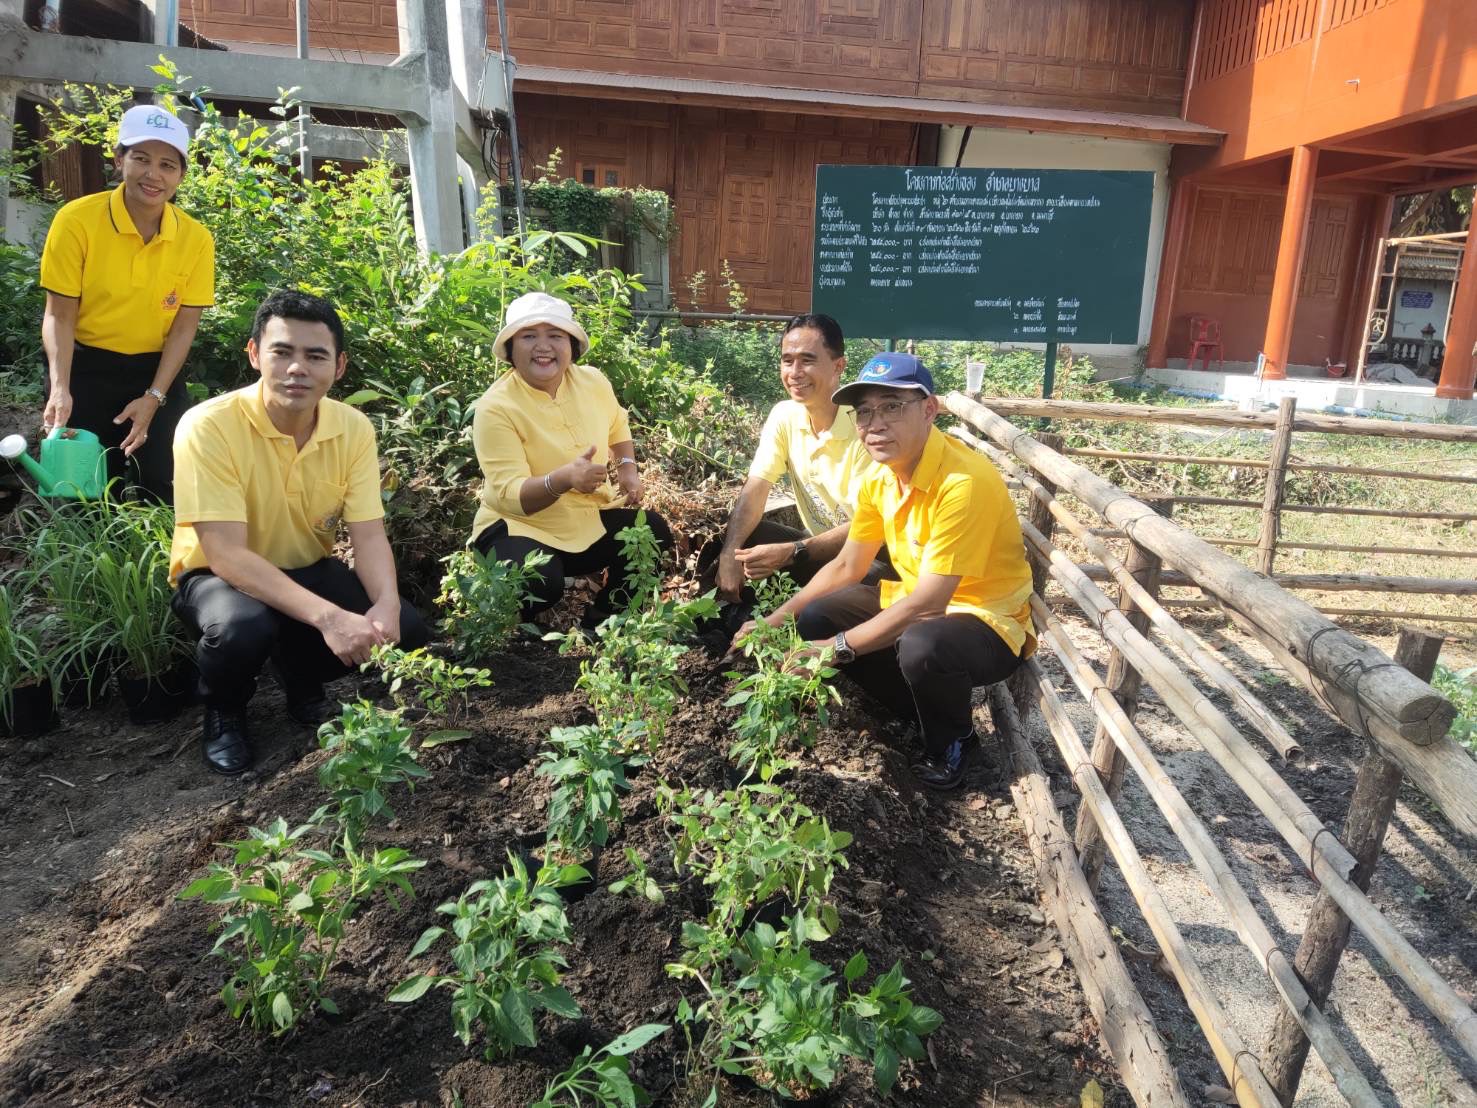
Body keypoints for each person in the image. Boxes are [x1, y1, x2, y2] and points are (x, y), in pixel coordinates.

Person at [736, 353, 1034, 791]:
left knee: (921, 646)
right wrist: (772, 622)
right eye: (865, 412)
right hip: (916, 599)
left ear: (929, 409)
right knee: (818, 614)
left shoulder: (963, 482)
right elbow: (846, 565)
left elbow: (931, 603)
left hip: (986, 620)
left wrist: (832, 650)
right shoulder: (882, 478)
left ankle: (954, 741)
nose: (875, 424)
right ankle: (915, 712)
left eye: (892, 406)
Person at [169, 290, 429, 775]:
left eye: (315, 356)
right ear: (254, 354)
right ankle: (225, 709)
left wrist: (387, 605)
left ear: (340, 366)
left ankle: (301, 679)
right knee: (241, 629)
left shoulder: (352, 429)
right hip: (218, 579)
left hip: (306, 567)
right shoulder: (208, 427)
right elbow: (226, 554)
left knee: (405, 628)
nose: (297, 369)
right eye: (282, 352)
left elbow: (369, 535)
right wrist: (330, 619)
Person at [39, 104, 215, 502]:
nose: (154, 175)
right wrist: (60, 388)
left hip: (156, 370)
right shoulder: (76, 221)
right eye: (141, 159)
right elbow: (59, 315)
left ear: (181, 176)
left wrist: (154, 398)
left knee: (162, 483)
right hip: (83, 366)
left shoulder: (196, 239)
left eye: (168, 165)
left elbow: (185, 326)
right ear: (119, 160)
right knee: (80, 492)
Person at [470, 291, 672, 621]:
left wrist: (627, 470)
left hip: (586, 518)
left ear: (571, 345)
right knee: (537, 580)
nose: (543, 346)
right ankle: (515, 638)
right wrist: (563, 479)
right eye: (529, 336)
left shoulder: (592, 381)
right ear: (510, 349)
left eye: (555, 335)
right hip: (516, 527)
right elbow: (509, 497)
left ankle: (606, 621)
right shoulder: (496, 408)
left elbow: (617, 422)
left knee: (651, 532)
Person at [713, 314, 883, 605]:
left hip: (870, 559)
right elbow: (756, 487)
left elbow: (870, 527)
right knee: (741, 542)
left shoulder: (866, 428)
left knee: (828, 606)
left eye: (807, 360)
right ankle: (724, 629)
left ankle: (795, 626)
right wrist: (730, 553)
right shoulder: (785, 415)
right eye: (787, 360)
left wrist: (794, 551)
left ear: (838, 366)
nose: (794, 372)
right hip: (814, 551)